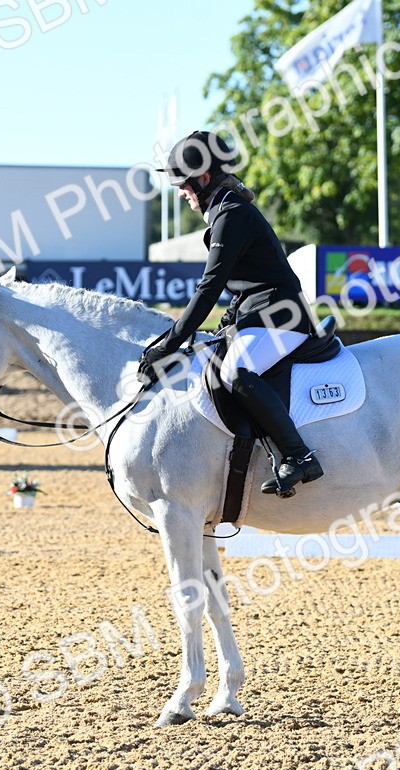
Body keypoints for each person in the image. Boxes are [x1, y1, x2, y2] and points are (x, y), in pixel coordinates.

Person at [140, 130, 324, 498]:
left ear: (203, 179)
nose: (180, 192)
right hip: (261, 313)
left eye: (183, 184)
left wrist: (171, 342)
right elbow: (243, 286)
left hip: (282, 315)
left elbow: (209, 288)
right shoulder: (224, 212)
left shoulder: (232, 215)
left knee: (236, 371)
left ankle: (299, 455)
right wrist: (224, 325)